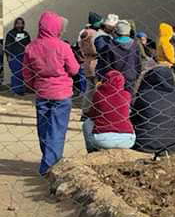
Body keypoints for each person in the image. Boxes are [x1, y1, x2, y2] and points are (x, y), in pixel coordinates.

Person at [21, 11, 80, 174]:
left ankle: (48, 160)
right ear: (57, 27)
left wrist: (33, 85)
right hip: (61, 93)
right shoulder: (63, 46)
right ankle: (49, 166)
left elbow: (26, 73)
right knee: (57, 130)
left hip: (42, 92)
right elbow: (74, 69)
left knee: (44, 129)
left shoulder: (31, 47)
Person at [131, 64, 175, 155]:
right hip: (171, 144)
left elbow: (134, 116)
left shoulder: (142, 96)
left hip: (143, 143)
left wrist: (140, 78)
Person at [82, 70, 135, 153]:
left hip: (103, 139)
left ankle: (91, 150)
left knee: (87, 123)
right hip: (127, 140)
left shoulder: (99, 94)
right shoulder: (126, 95)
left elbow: (93, 114)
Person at [96, 19, 142, 93]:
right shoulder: (135, 45)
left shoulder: (110, 46)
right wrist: (136, 75)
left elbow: (106, 65)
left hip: (114, 79)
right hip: (130, 76)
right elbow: (138, 63)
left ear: (116, 31)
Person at [4, 17, 32, 94]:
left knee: (23, 73)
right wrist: (8, 56)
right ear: (15, 24)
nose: (19, 25)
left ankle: (21, 89)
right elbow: (7, 46)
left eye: (21, 23)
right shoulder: (10, 33)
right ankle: (15, 90)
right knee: (16, 73)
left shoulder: (26, 34)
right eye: (18, 23)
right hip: (14, 56)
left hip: (23, 56)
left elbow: (29, 44)